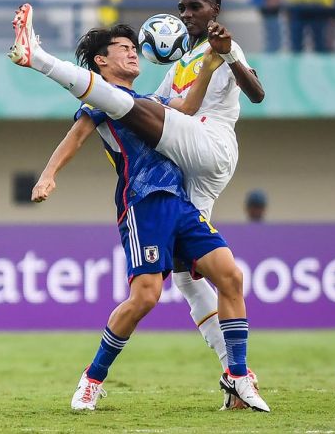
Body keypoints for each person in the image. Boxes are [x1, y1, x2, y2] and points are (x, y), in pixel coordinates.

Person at [25, 24, 270, 412]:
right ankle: (91, 379)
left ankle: (238, 377)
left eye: (133, 47)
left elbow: (186, 110)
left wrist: (208, 64)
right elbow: (76, 135)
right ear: (101, 61)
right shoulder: (101, 102)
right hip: (143, 204)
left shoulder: (145, 100)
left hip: (180, 202)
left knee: (231, 276)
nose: (133, 52)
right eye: (123, 48)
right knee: (145, 298)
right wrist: (48, 174)